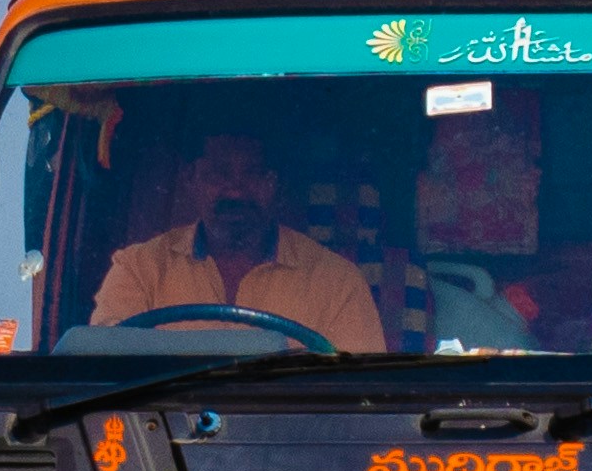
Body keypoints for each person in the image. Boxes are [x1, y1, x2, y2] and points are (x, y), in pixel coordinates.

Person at [90, 129, 383, 350]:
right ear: (192, 178)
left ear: (275, 184)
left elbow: (359, 403)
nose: (235, 191)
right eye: (219, 173)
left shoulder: (338, 282)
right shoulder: (138, 269)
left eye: (253, 174)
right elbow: (103, 372)